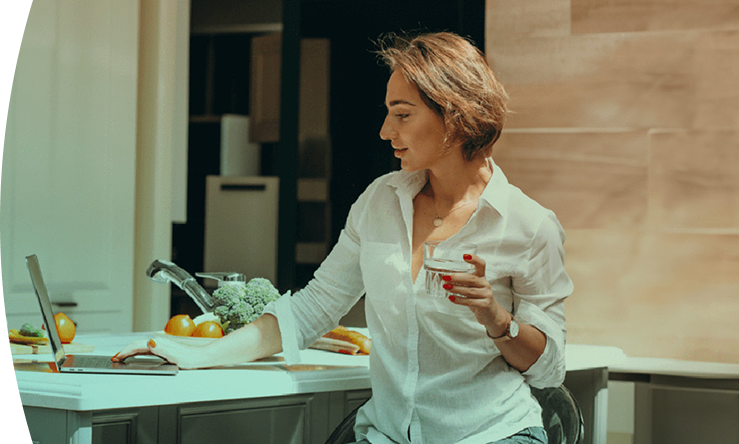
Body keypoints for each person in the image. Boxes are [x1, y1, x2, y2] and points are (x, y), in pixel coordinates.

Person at [115, 31, 572, 444]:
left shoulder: (530, 225)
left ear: (453, 115)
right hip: (387, 436)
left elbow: (550, 367)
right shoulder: (379, 202)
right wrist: (197, 355)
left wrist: (496, 318)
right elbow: (312, 308)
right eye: (387, 113)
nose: (385, 131)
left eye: (402, 115)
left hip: (491, 435)